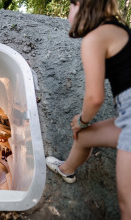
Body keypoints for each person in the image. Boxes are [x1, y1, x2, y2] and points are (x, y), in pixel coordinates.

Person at [46, 0, 131, 218]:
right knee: (84, 137)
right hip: (126, 116)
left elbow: (94, 98)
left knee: (127, 204)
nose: (68, 11)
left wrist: (82, 120)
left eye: (72, 4)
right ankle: (66, 169)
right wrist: (83, 127)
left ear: (85, 6)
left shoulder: (94, 38)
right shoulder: (118, 29)